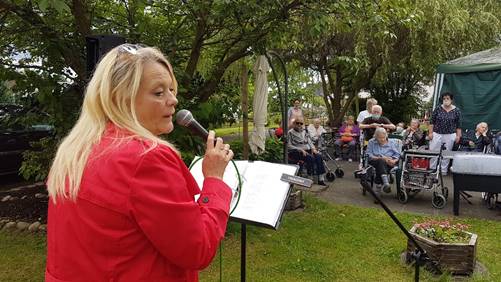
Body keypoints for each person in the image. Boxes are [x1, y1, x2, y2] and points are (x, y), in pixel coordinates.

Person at [45, 44, 234, 282]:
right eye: (159, 93)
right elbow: (197, 249)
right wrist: (214, 180)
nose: (173, 100)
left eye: (172, 90)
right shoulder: (146, 159)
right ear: (121, 98)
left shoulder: (75, 150)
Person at [428, 92, 462, 175]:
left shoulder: (456, 110)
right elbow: (431, 122)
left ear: (451, 100)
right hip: (437, 133)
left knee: (446, 153)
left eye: (447, 98)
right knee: (434, 152)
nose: (446, 100)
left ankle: (443, 171)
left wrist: (458, 136)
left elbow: (459, 124)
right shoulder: (438, 109)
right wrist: (430, 133)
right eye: (444, 99)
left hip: (450, 135)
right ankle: (432, 169)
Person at [287, 116, 327, 186]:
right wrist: (300, 149)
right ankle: (310, 177)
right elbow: (288, 145)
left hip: (307, 149)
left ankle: (321, 178)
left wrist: (314, 149)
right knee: (310, 158)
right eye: (297, 123)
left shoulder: (305, 131)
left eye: (301, 123)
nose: (299, 125)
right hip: (296, 151)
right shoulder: (290, 132)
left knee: (318, 156)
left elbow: (310, 142)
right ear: (294, 124)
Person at [366, 128, 401, 199]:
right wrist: (381, 158)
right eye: (380, 138)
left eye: (384, 137)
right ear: (375, 137)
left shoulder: (392, 143)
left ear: (386, 136)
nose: (382, 139)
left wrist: (394, 161)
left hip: (389, 163)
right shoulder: (371, 142)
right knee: (381, 161)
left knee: (382, 165)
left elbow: (398, 155)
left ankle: (378, 190)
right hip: (375, 161)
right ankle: (385, 183)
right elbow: (369, 155)